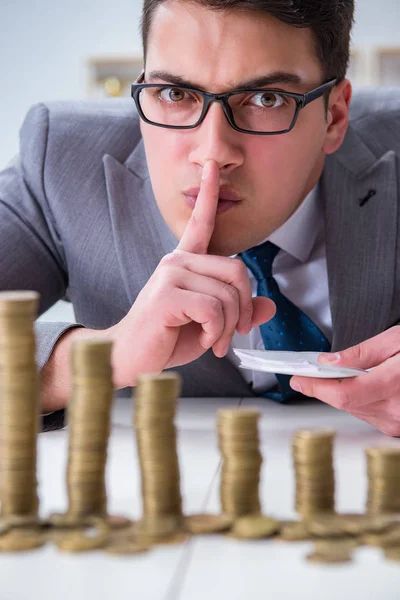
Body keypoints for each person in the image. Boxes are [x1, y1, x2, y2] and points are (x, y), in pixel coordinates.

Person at [1, 0, 400, 436]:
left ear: (334, 118)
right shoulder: (58, 159)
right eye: (175, 94)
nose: (212, 151)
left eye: (267, 99)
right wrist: (100, 356)